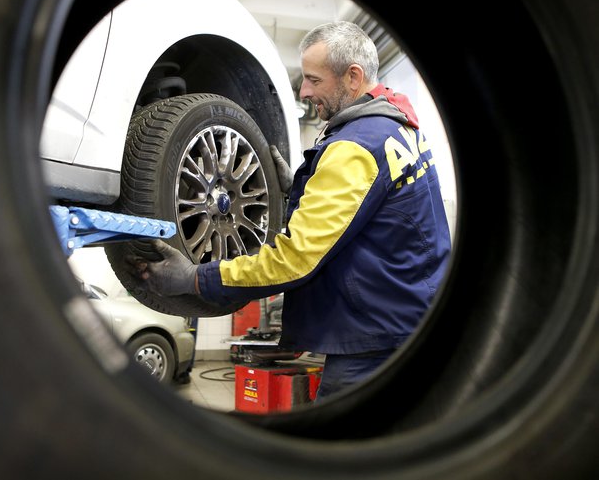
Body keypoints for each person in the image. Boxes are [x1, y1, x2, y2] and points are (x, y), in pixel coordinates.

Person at [124, 21, 451, 401]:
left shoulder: (354, 148)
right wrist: (304, 182)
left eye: (314, 79)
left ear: (353, 76)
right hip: (408, 320)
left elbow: (295, 260)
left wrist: (196, 279)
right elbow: (372, 213)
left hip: (377, 343)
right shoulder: (397, 128)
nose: (304, 90)